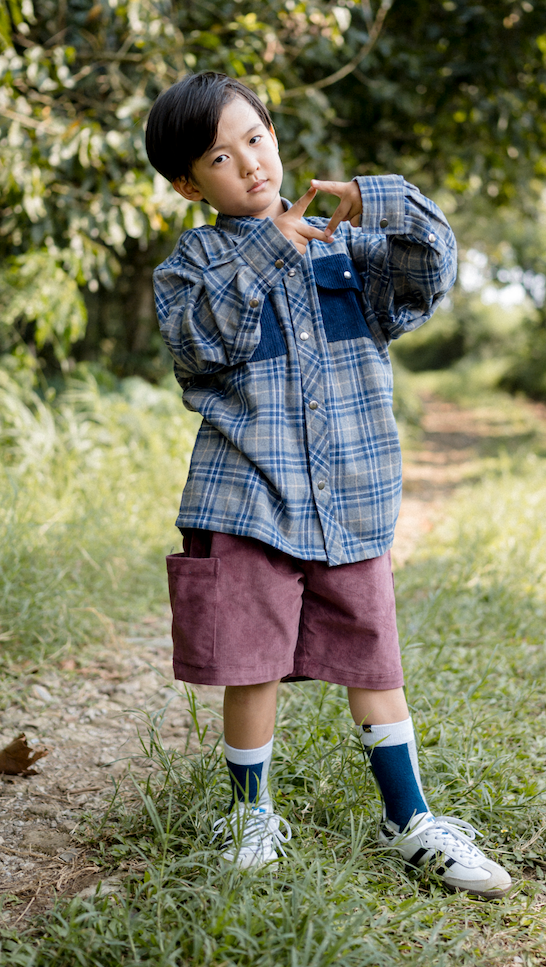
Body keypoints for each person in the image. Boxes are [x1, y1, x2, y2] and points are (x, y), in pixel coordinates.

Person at [145, 70, 512, 899]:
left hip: (351, 496)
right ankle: (249, 814)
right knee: (252, 664)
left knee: (374, 661)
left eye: (255, 138)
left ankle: (409, 818)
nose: (248, 164)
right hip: (248, 496)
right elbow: (206, 342)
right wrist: (274, 247)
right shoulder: (193, 264)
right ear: (186, 183)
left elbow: (429, 273)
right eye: (218, 156)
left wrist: (379, 201)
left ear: (273, 135)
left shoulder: (343, 247)